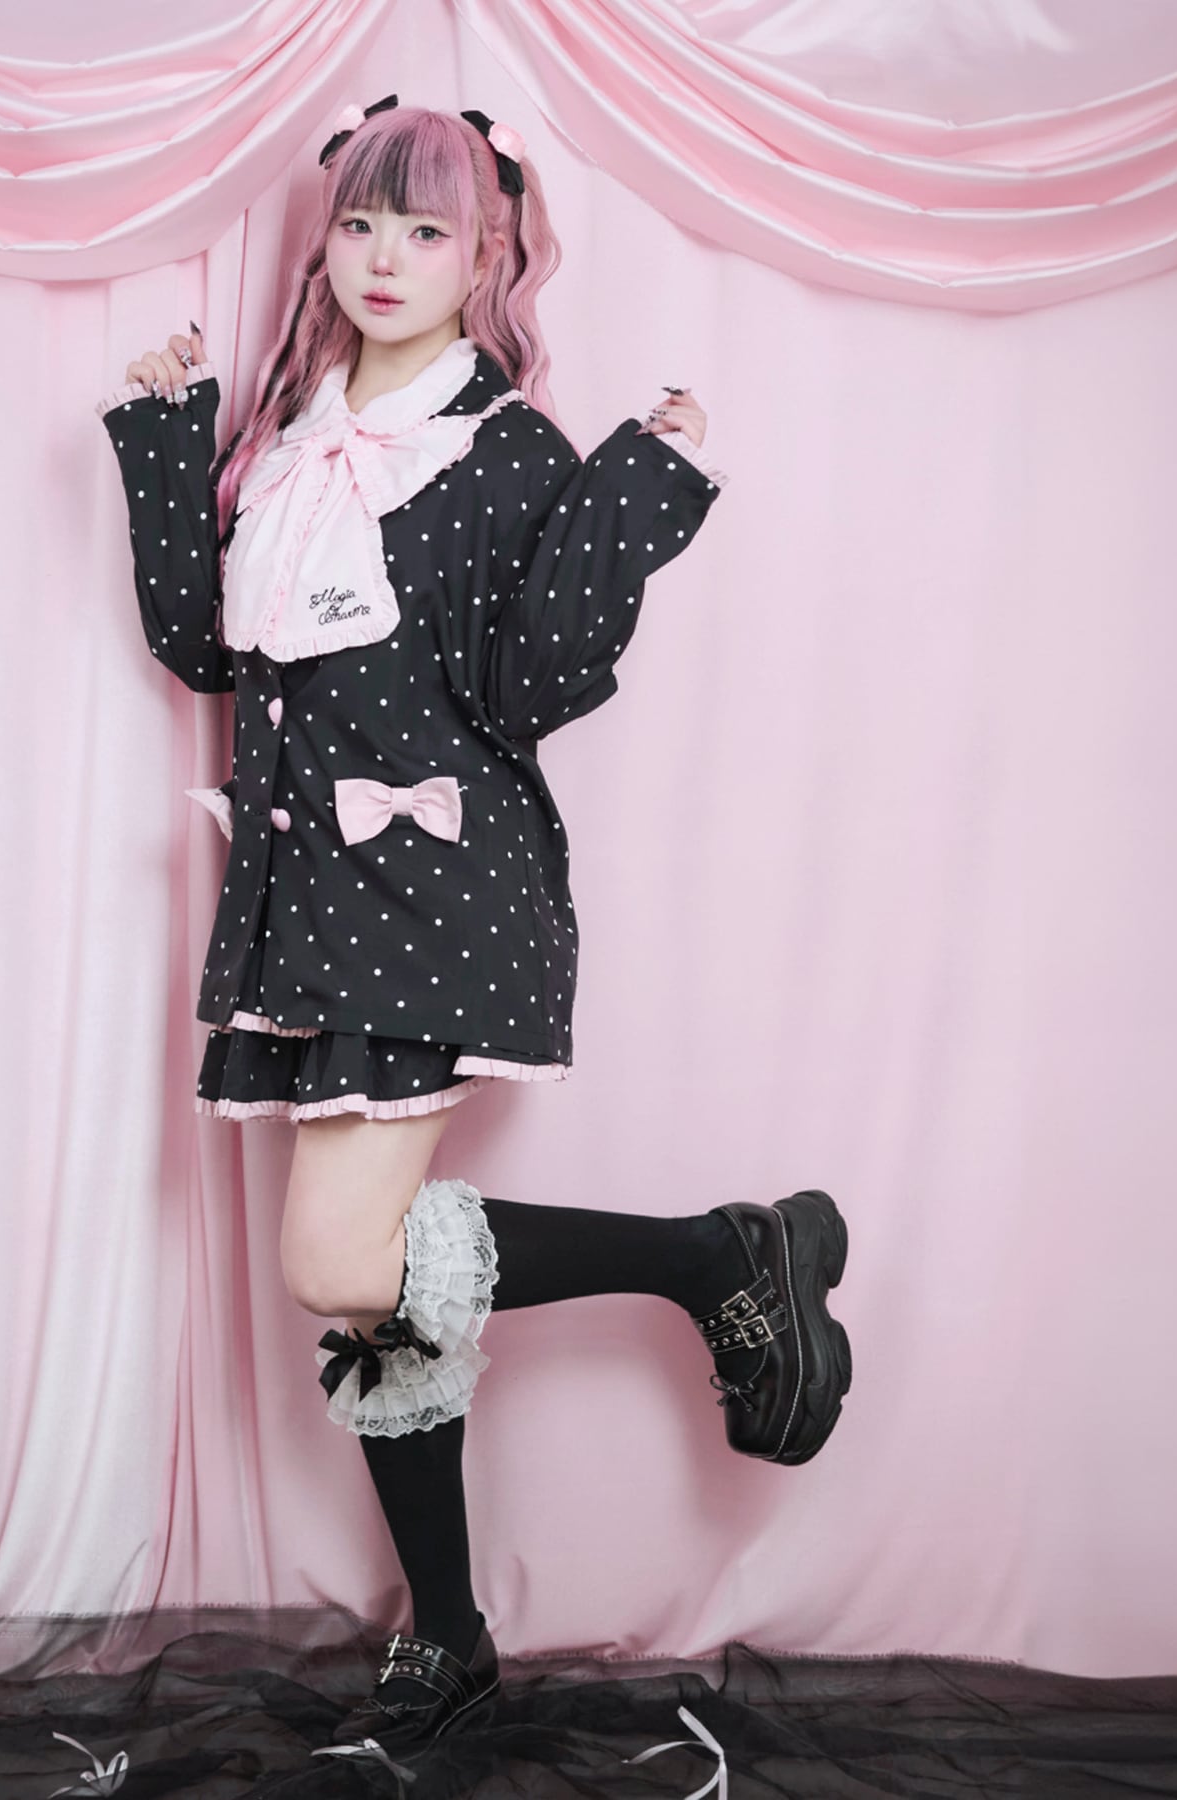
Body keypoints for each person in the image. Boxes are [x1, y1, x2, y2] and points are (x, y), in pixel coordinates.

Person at [95, 96, 851, 1763]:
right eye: (363, 222)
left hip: (440, 890)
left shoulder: (506, 449)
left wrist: (634, 493)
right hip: (305, 904)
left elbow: (526, 687)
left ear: (489, 254)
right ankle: (447, 1628)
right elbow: (208, 650)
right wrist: (165, 444)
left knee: (337, 1262)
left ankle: (713, 1258)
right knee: (372, 1299)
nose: (387, 258)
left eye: (428, 230)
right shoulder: (288, 437)